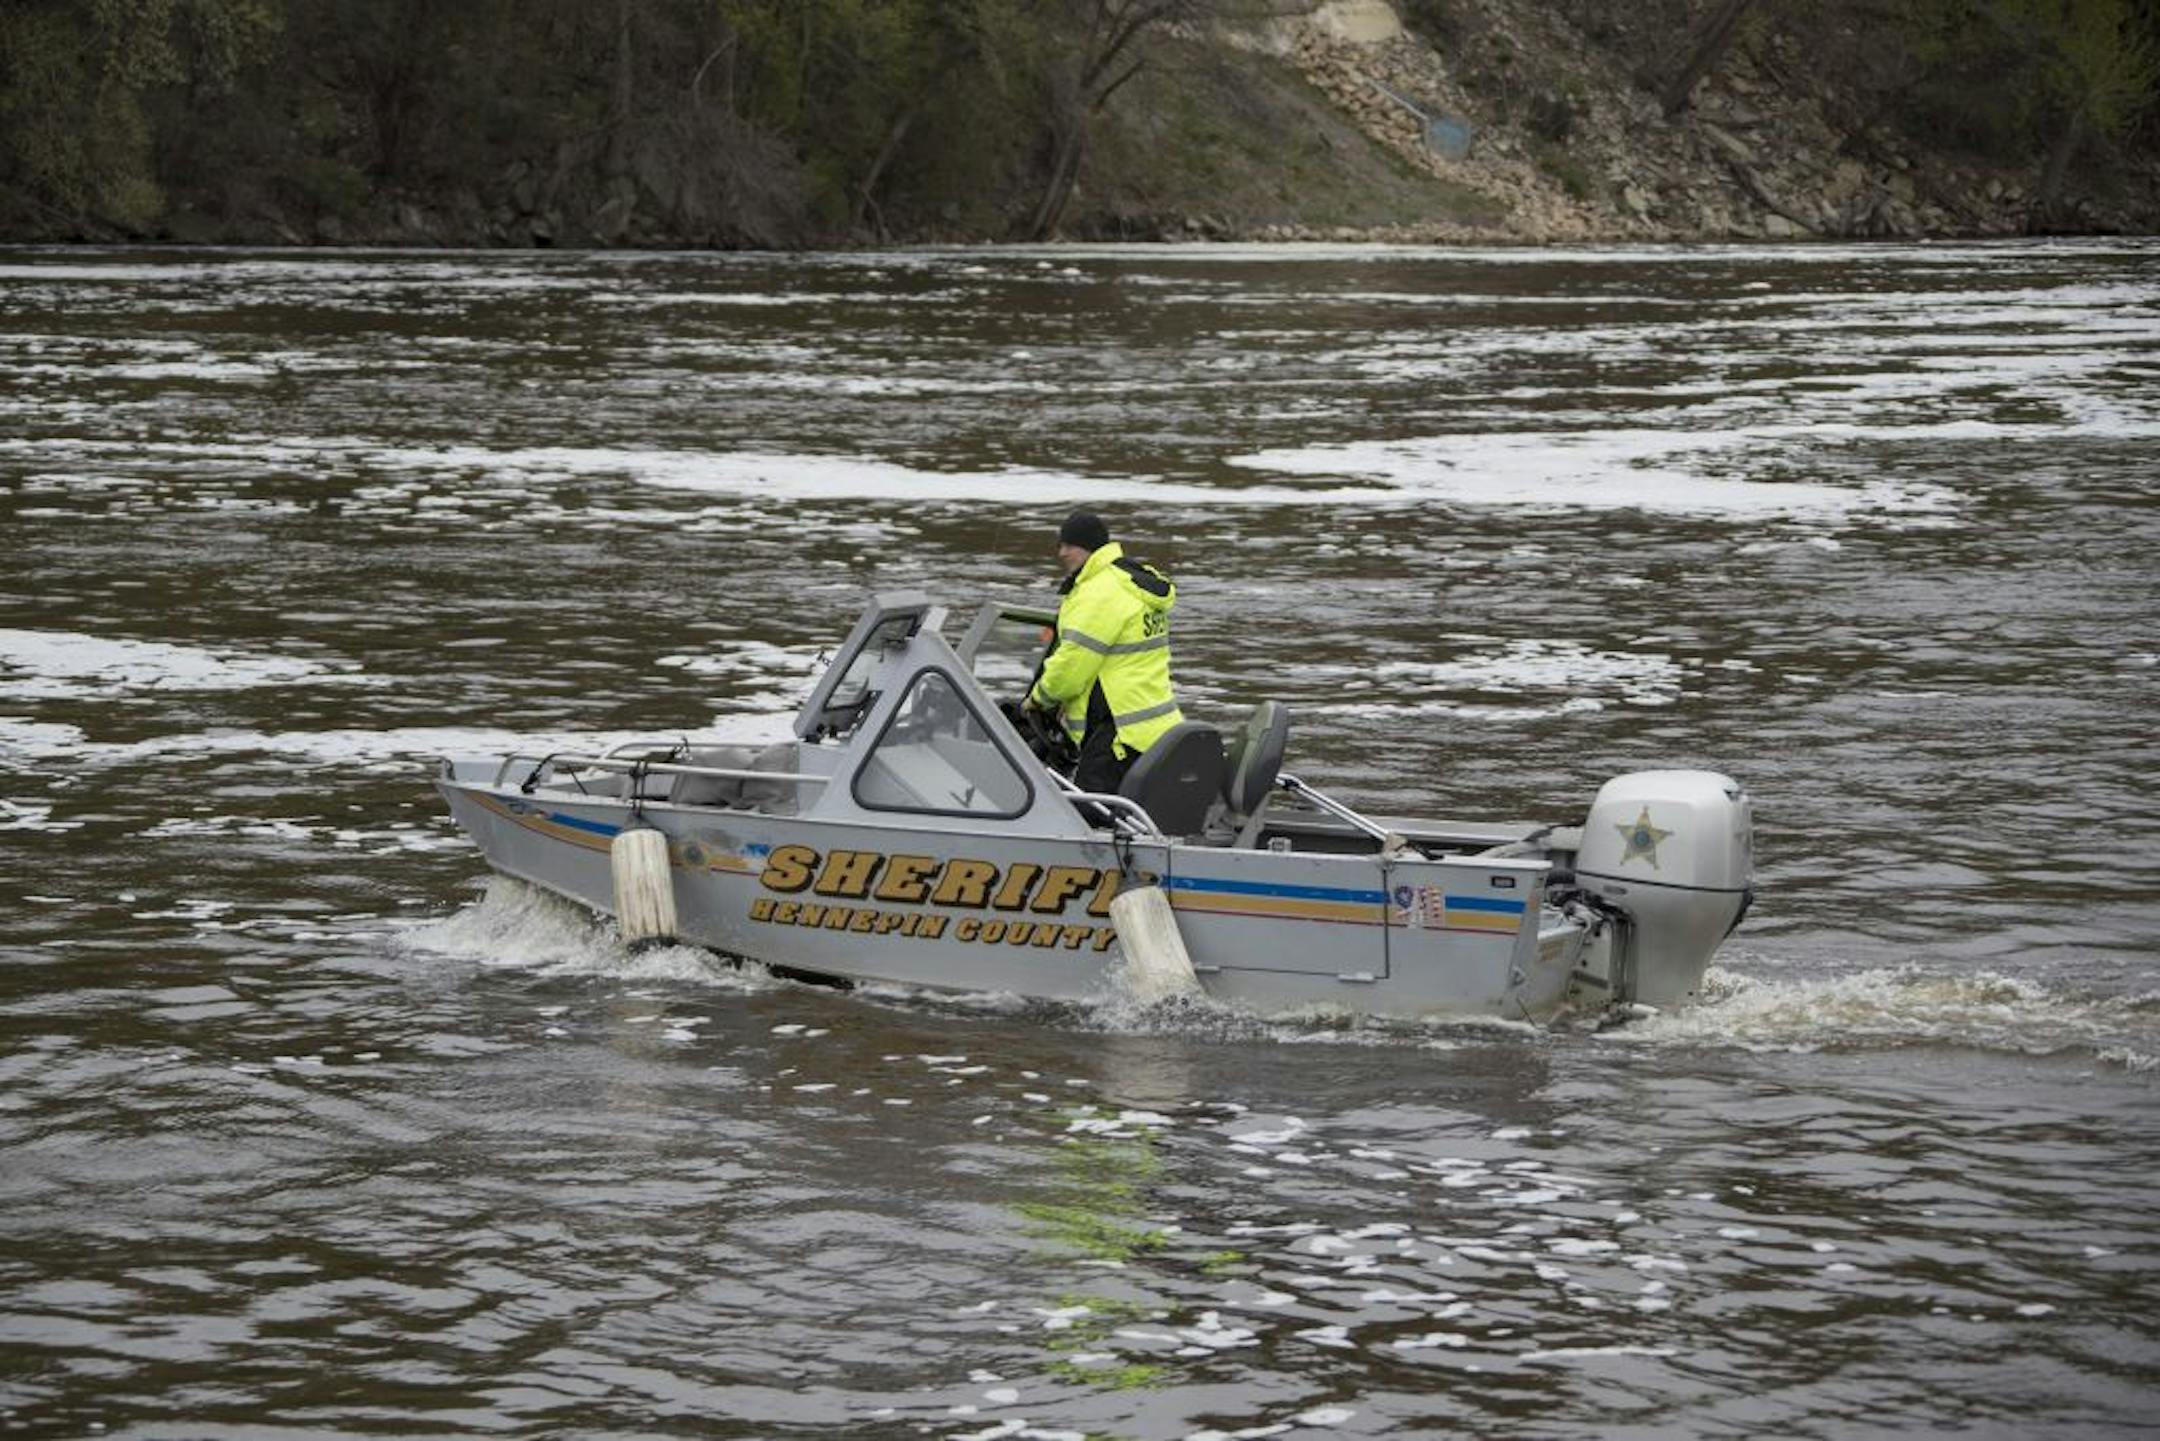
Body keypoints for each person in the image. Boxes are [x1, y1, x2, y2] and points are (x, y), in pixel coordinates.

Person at [1027, 510, 1183, 794]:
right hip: (1156, 728)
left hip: (1116, 735)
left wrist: (1038, 699)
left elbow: (1071, 668)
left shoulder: (1099, 592)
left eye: (1068, 546)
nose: (1061, 553)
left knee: (1093, 820)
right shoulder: (1133, 581)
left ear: (1088, 548)